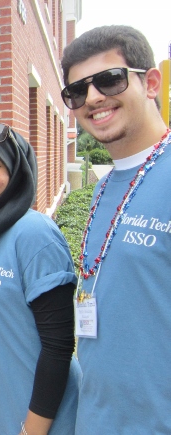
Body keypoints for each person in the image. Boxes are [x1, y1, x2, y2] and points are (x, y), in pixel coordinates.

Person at [61, 25, 171, 434]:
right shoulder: (103, 187)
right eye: (77, 91)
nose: (93, 98)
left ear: (151, 82)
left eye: (110, 79)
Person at [0, 123, 80, 435]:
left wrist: (32, 430)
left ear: (16, 171)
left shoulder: (35, 234)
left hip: (39, 419)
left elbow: (58, 347)